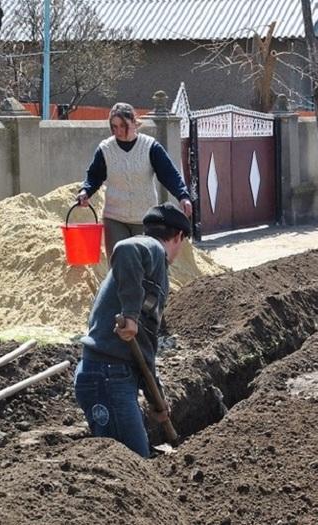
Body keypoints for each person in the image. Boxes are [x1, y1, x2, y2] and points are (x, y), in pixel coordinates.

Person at [73, 203, 191, 457]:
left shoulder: (150, 267)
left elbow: (145, 345)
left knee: (136, 461)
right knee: (135, 462)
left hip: (113, 375)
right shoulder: (151, 248)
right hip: (106, 376)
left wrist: (155, 398)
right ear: (179, 236)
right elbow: (125, 248)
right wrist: (130, 314)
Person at [77, 102, 192, 260]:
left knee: (145, 265)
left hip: (145, 219)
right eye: (114, 127)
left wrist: (183, 196)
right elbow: (94, 176)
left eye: (122, 126)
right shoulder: (105, 149)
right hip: (114, 217)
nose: (118, 131)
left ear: (133, 122)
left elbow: (169, 174)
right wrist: (85, 191)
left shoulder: (150, 147)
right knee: (119, 267)